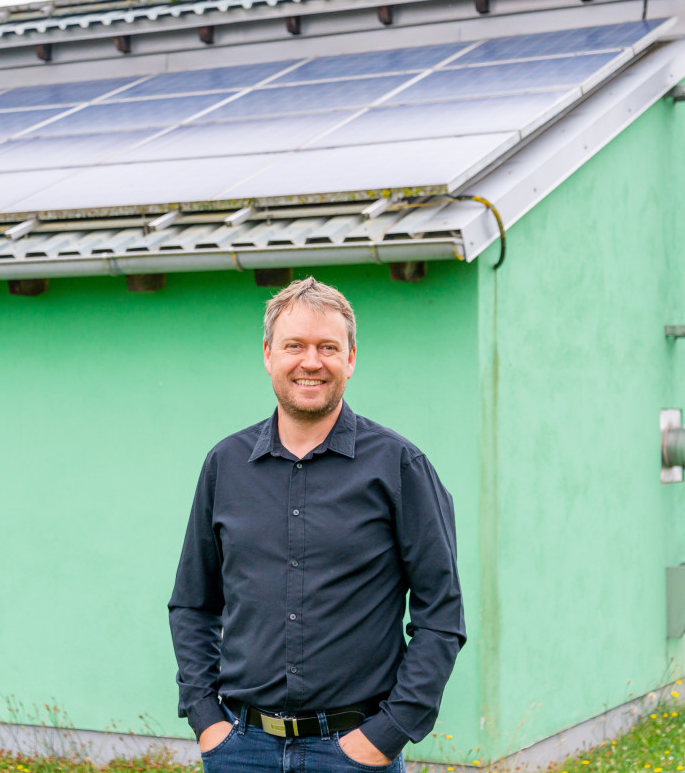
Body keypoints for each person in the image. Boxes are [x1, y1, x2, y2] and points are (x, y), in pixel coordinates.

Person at [168, 276, 465, 772]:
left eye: (328, 346)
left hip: (354, 753)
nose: (311, 361)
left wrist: (388, 733)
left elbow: (442, 613)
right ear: (268, 354)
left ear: (350, 358)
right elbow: (193, 604)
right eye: (294, 346)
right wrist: (206, 720)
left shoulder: (399, 466)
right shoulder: (225, 464)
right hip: (241, 750)